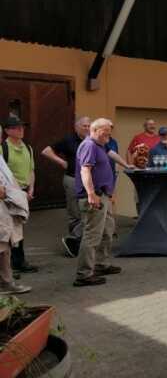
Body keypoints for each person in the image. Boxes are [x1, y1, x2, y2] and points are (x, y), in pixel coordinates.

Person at [74, 118, 124, 287]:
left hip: (104, 196)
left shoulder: (100, 144)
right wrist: (91, 194)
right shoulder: (89, 145)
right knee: (92, 236)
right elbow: (85, 170)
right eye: (105, 133)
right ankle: (84, 275)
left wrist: (126, 165)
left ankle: (101, 265)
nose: (108, 137)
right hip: (94, 197)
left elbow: (110, 155)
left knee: (107, 231)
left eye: (109, 134)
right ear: (94, 131)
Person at [41, 116, 91, 257]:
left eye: (89, 126)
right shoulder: (68, 140)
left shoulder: (91, 141)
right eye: (84, 126)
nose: (87, 128)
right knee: (75, 213)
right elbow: (46, 151)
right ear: (76, 127)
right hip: (73, 180)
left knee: (88, 213)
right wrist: (61, 162)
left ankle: (79, 241)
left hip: (89, 182)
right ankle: (74, 244)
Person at [2, 116, 38, 274]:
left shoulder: (28, 148)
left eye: (22, 127)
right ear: (7, 131)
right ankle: (10, 265)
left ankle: (17, 262)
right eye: (17, 128)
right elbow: (4, 174)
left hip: (24, 192)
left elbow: (31, 170)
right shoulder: (3, 148)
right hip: (9, 194)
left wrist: (30, 189)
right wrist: (18, 192)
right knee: (7, 229)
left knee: (18, 227)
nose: (21, 130)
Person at [0, 125, 31, 295]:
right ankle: (6, 282)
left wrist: (19, 193)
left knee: (5, 246)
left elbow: (8, 178)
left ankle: (6, 282)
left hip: (5, 207)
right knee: (2, 247)